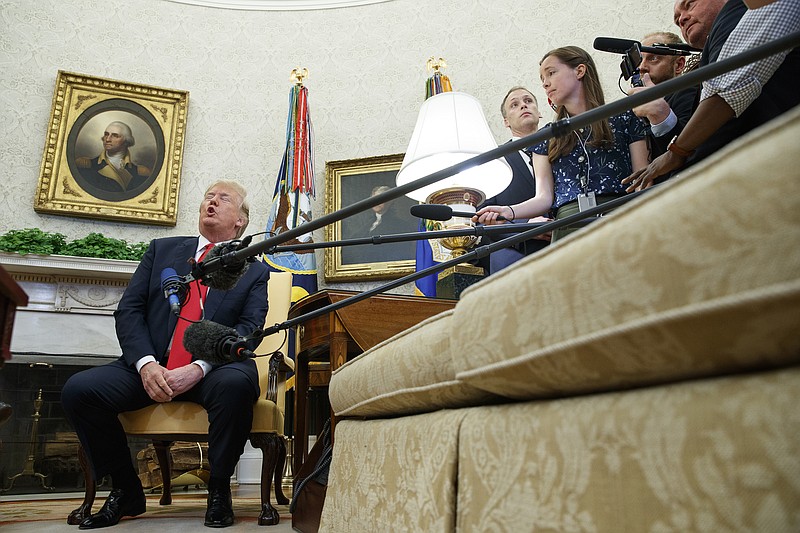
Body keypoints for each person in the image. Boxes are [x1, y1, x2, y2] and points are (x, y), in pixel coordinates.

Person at [62, 180, 269, 529]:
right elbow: (129, 311)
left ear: (241, 221)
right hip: (152, 366)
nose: (211, 202)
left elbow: (250, 328)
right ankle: (127, 490)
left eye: (224, 198)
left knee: (237, 384)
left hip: (214, 370)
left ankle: (219, 488)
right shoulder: (162, 251)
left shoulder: (254, 270)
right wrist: (145, 365)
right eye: (208, 196)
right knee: (79, 390)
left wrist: (200, 368)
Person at [476, 46, 649, 242]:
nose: (545, 84)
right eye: (542, 79)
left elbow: (642, 181)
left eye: (551, 73)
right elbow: (544, 198)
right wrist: (508, 211)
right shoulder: (545, 137)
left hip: (621, 218)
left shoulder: (624, 117)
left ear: (580, 71)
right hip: (568, 226)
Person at [624, 0, 800, 190]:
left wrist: (676, 153)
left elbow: (728, 93)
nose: (682, 19)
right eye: (676, 20)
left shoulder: (739, 12)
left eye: (690, 4)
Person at [477, 87, 550, 274]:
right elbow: (482, 218)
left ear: (539, 112)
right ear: (506, 122)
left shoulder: (563, 146)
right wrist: (526, 229)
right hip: (519, 259)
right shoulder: (494, 160)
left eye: (528, 101)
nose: (523, 105)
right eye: (514, 105)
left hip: (569, 246)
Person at [628, 31, 696, 161]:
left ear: (679, 65)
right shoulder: (634, 108)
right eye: (640, 60)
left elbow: (689, 152)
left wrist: (661, 117)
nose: (642, 67)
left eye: (653, 58)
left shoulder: (690, 92)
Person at [75, 121, 152, 193]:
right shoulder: (85, 165)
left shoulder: (141, 173)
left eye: (115, 136)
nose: (107, 139)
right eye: (106, 134)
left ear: (126, 141)